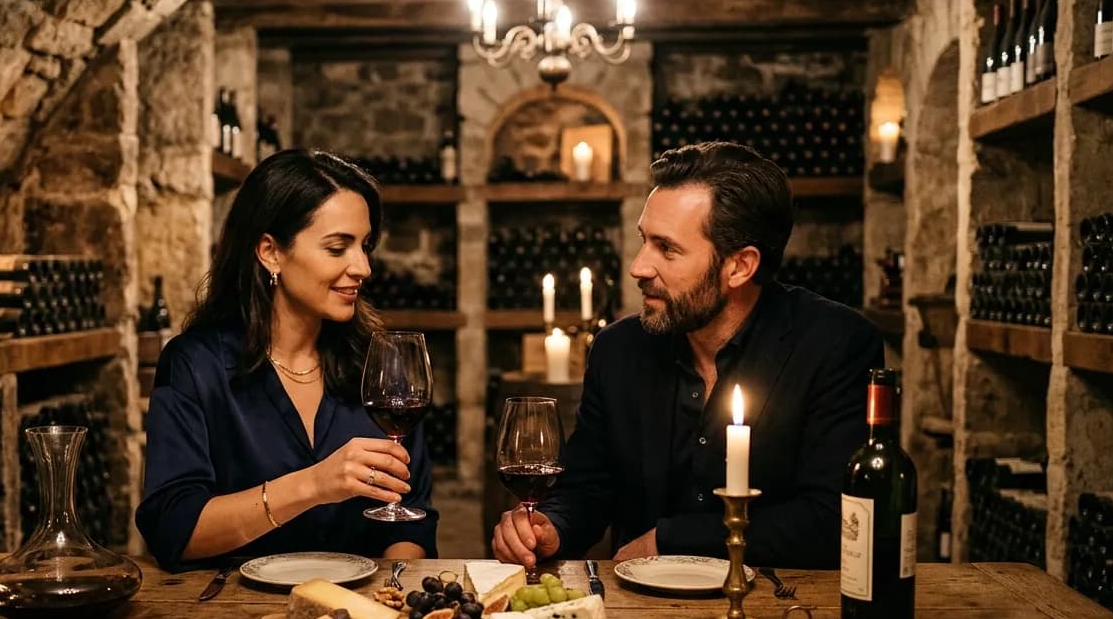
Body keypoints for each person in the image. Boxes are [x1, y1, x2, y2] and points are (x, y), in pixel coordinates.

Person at [491, 142, 883, 570]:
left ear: (739, 266)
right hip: (637, 602)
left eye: (667, 248)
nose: (639, 267)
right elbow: (588, 488)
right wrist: (551, 527)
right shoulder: (617, 349)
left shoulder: (836, 344)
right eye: (644, 240)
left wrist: (672, 540)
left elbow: (835, 519)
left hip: (778, 601)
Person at [137, 149, 438, 572]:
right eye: (338, 248)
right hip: (235, 607)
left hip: (361, 608)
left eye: (365, 246)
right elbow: (173, 529)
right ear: (271, 252)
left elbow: (413, 522)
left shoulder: (378, 365)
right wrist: (313, 484)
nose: (363, 267)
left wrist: (390, 594)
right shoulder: (196, 365)